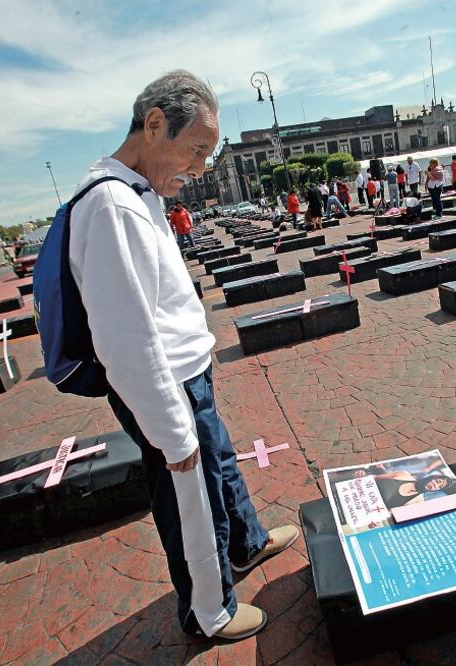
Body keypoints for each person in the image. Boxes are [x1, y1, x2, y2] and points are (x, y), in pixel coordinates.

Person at [68, 71, 299, 641]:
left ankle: (244, 543)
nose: (201, 168)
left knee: (218, 466)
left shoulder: (135, 193)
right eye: (196, 150)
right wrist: (172, 431)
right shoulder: (112, 205)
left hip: (187, 373)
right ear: (153, 125)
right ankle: (208, 610)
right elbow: (124, 336)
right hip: (166, 385)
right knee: (188, 497)